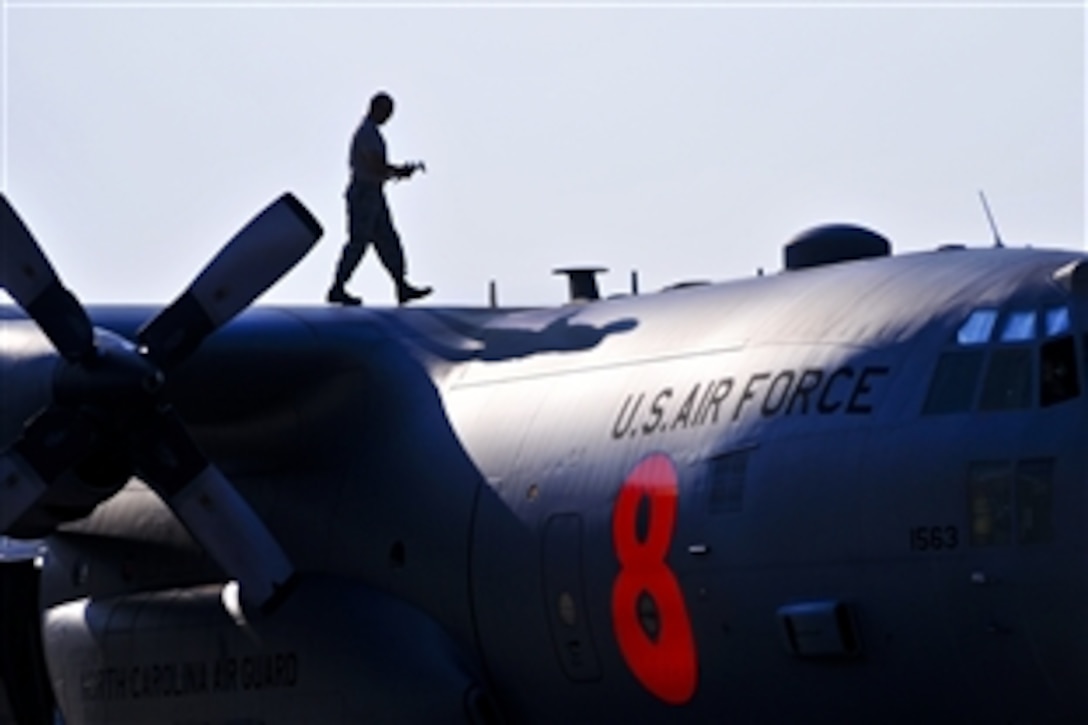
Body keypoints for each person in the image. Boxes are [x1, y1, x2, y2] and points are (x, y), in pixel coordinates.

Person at [327, 92, 432, 306]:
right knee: (359, 242)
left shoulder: (371, 133)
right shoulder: (367, 134)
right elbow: (376, 164)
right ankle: (337, 287)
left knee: (388, 240)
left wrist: (396, 172)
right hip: (364, 193)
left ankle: (401, 285)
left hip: (374, 192)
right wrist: (399, 171)